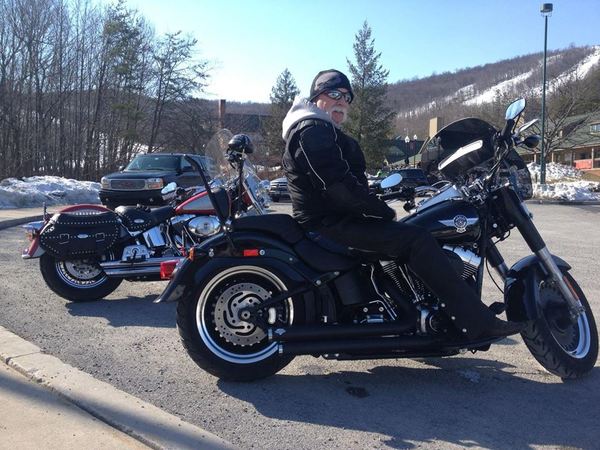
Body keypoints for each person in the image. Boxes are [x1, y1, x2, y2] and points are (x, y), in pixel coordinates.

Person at [281, 68, 523, 341]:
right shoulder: (312, 129)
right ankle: (476, 323)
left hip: (334, 219)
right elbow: (336, 185)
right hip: (328, 225)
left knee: (410, 231)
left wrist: (380, 195)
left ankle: (420, 312)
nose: (342, 102)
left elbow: (343, 183)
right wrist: (379, 211)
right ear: (317, 97)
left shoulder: (321, 130)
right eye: (334, 94)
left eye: (347, 97)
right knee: (417, 240)